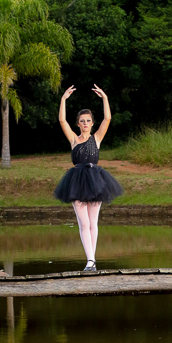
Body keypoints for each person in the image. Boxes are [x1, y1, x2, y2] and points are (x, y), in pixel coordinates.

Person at [54, 84, 123, 272]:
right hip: (76, 182)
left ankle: (92, 261)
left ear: (92, 123)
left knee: (93, 223)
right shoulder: (74, 139)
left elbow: (108, 118)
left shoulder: (97, 139)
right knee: (83, 223)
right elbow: (61, 121)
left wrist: (105, 98)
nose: (85, 123)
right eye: (82, 121)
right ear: (78, 123)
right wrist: (63, 100)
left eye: (88, 120)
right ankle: (90, 261)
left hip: (95, 181)